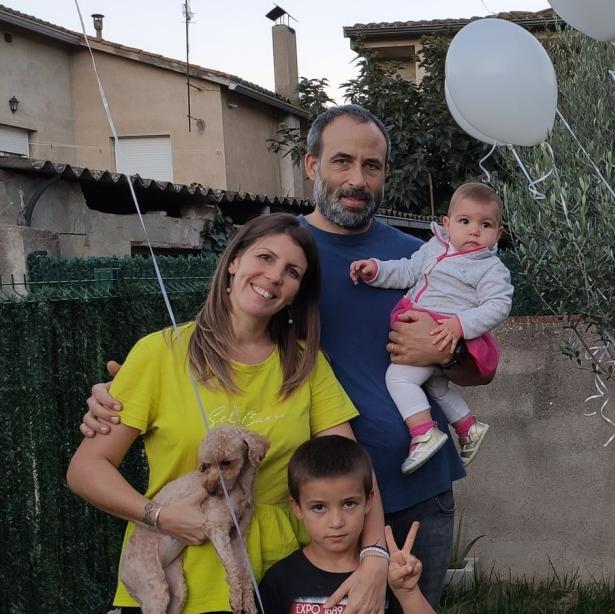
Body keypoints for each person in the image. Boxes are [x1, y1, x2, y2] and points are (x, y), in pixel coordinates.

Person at [82, 105, 492, 612]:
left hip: (416, 489)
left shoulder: (421, 260)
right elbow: (214, 344)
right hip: (313, 508)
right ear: (312, 165)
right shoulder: (281, 248)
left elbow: (481, 366)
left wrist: (445, 352)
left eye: (372, 166)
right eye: (342, 161)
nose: (357, 179)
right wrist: (120, 393)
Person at [67, 214, 390, 614]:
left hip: (280, 577)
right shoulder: (159, 353)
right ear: (233, 261)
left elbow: (352, 468)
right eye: (265, 258)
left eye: (291, 271)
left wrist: (376, 557)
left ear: (295, 293)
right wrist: (158, 515)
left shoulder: (306, 364)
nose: (273, 276)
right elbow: (86, 468)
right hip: (178, 578)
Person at [349, 181, 512, 475]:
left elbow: (498, 305)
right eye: (465, 221)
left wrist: (460, 325)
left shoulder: (490, 268)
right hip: (431, 328)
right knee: (436, 386)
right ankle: (467, 426)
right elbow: (407, 270)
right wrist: (376, 270)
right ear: (447, 224)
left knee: (398, 378)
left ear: (498, 233)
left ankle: (423, 432)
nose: (474, 230)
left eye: (485, 225)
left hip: (443, 332)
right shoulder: (433, 248)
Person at [259, 435, 434, 614]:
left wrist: (408, 593)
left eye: (349, 504)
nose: (336, 522)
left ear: (368, 501)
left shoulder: (390, 576)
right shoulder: (280, 579)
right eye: (319, 507)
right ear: (297, 507)